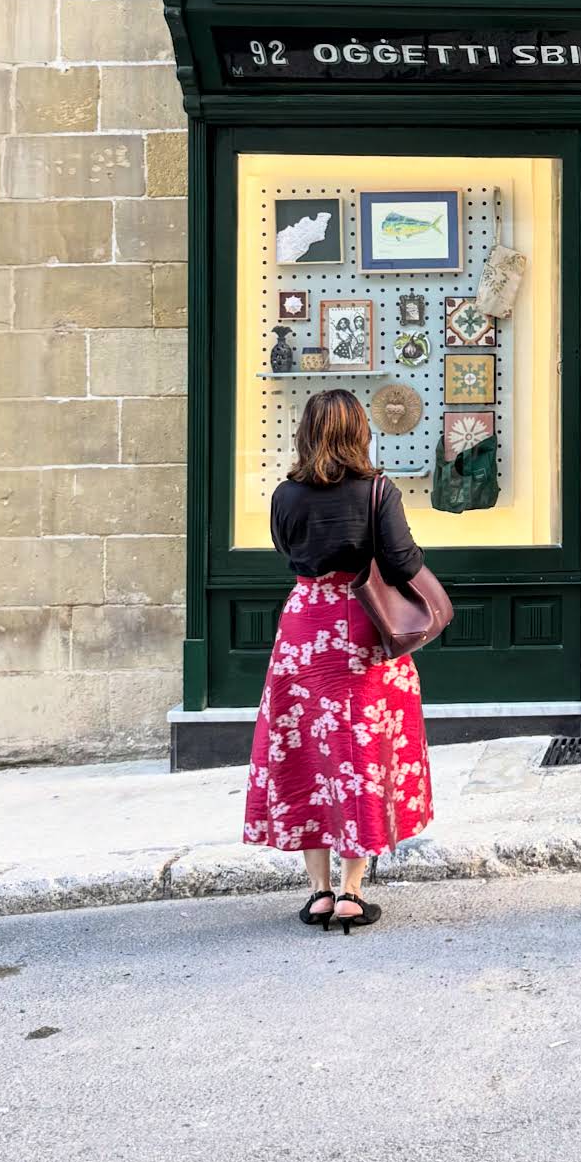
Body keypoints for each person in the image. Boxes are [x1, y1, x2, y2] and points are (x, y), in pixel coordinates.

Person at [243, 388, 434, 931]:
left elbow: (287, 552)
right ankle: (353, 891)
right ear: (359, 432)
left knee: (307, 753)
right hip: (362, 627)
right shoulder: (378, 490)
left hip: (304, 625)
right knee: (362, 751)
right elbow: (402, 561)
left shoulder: (286, 494)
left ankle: (319, 893)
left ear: (306, 433)